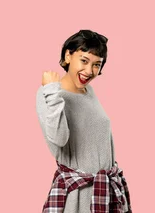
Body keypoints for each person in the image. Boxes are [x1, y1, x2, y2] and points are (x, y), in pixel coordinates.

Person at [36, 29, 131, 213]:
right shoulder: (48, 94)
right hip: (78, 197)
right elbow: (59, 138)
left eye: (97, 64)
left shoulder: (89, 92)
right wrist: (52, 92)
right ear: (68, 55)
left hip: (105, 191)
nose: (89, 71)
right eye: (84, 60)